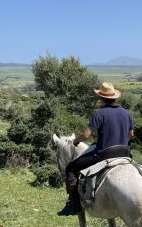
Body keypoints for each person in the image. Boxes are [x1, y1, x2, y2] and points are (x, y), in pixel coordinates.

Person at [57, 82, 134, 216]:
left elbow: (86, 134)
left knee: (71, 168)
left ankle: (74, 204)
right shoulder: (126, 113)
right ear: (114, 97)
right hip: (125, 152)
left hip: (104, 154)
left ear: (101, 98)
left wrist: (76, 141)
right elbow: (130, 134)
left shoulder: (100, 113)